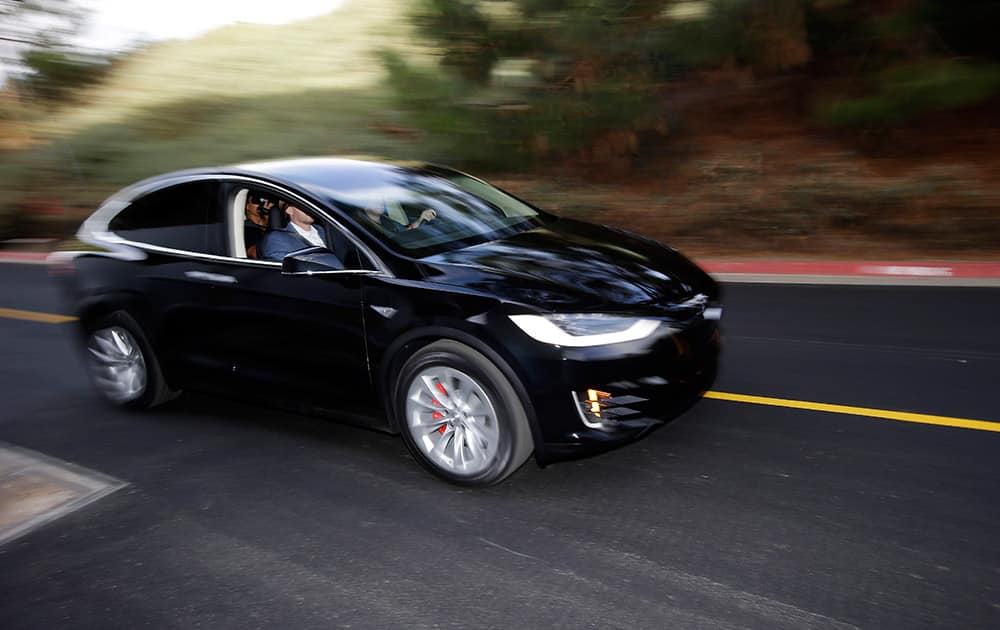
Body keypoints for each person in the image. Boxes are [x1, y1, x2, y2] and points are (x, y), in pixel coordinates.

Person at [260, 201, 328, 261]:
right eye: (303, 205)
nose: (310, 208)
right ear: (289, 210)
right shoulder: (277, 238)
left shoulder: (327, 230)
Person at [363, 203, 436, 233]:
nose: (379, 202)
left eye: (380, 199)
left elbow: (405, 231)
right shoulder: (363, 227)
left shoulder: (386, 220)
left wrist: (421, 219)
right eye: (373, 200)